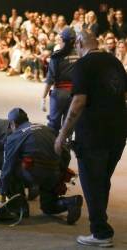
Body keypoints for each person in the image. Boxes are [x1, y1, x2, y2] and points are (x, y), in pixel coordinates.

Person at [55, 30, 127, 247]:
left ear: (78, 42)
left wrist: (62, 134)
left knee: (92, 184)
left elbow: (78, 102)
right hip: (117, 133)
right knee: (102, 181)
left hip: (93, 135)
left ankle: (101, 233)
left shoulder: (83, 66)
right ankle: (101, 225)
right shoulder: (114, 62)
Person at [0, 108, 83, 225]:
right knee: (48, 207)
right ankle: (71, 202)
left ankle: (21, 207)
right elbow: (65, 153)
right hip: (54, 173)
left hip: (34, 174)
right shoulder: (47, 129)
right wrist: (61, 173)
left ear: (13, 124)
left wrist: (2, 192)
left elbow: (7, 168)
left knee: (11, 168)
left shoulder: (14, 137)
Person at [41, 28, 79, 135]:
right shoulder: (80, 54)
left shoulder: (56, 56)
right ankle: (65, 147)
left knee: (53, 125)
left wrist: (43, 97)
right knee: (69, 124)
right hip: (75, 94)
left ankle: (53, 148)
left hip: (59, 94)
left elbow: (50, 79)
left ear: (63, 40)